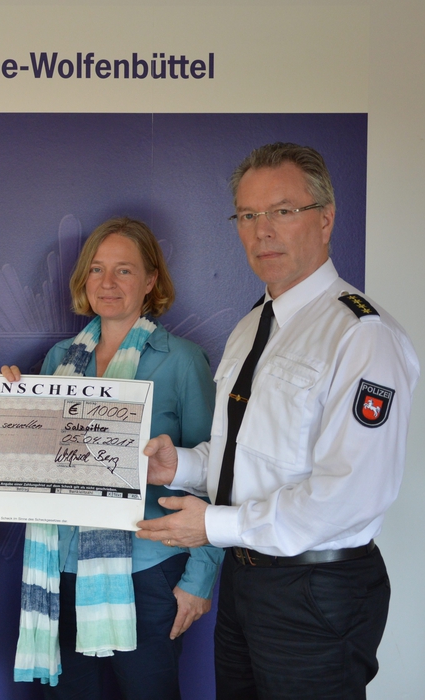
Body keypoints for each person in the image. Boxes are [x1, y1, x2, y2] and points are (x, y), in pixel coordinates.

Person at [136, 143, 420, 699]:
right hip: (246, 580)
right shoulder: (251, 327)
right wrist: (181, 466)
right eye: (247, 215)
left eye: (283, 211)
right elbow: (245, 453)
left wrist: (214, 526)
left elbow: (350, 496)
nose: (261, 231)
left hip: (317, 588)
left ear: (325, 219)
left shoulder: (362, 335)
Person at [5, 217, 222, 699]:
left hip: (149, 572)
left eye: (124, 270)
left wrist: (200, 579)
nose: (107, 282)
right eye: (97, 269)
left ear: (150, 281)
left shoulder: (182, 360)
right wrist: (10, 403)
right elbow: (38, 460)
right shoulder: (59, 360)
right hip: (61, 567)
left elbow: (217, 477)